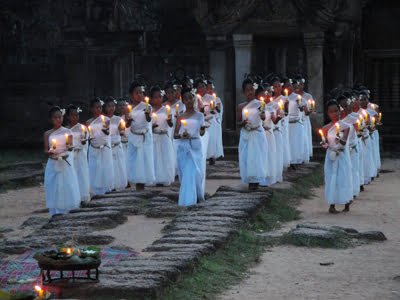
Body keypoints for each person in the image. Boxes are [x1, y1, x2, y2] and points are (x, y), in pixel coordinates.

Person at [44, 106, 80, 216]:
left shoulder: (68, 132)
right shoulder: (47, 134)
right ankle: (55, 210)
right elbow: (46, 149)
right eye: (55, 118)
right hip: (53, 162)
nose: (58, 120)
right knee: (53, 186)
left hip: (64, 161)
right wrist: (50, 152)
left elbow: (70, 146)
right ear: (50, 119)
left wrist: (69, 148)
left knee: (66, 185)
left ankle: (66, 209)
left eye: (60, 117)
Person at [174, 87, 206, 206]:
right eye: (186, 98)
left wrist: (202, 129)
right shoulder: (180, 116)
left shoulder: (200, 115)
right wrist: (182, 135)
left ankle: (198, 195)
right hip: (184, 147)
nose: (189, 100)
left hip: (195, 145)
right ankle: (187, 199)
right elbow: (175, 135)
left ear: (194, 98)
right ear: (183, 101)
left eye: (191, 97)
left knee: (197, 172)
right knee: (188, 172)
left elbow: (202, 133)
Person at [321, 100, 353, 213]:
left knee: (343, 178)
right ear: (328, 113)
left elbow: (344, 142)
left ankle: (346, 202)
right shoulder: (325, 128)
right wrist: (325, 144)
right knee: (331, 178)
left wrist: (340, 141)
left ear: (340, 111)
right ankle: (332, 204)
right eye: (331, 112)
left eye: (336, 111)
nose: (334, 114)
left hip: (342, 156)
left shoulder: (346, 126)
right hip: (331, 156)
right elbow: (325, 142)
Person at [237, 78, 269, 190]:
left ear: (255, 90)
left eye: (251, 89)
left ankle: (257, 180)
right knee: (247, 157)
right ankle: (250, 179)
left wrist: (262, 114)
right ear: (243, 92)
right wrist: (243, 123)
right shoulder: (241, 106)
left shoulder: (260, 104)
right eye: (247, 90)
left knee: (257, 157)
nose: (250, 92)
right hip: (246, 133)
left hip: (257, 133)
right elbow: (238, 123)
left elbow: (264, 117)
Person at [126, 81, 156, 190]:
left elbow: (149, 120)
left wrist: (147, 114)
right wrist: (128, 120)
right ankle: (135, 180)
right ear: (131, 95)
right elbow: (127, 124)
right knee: (134, 159)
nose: (139, 95)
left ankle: (142, 182)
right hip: (134, 136)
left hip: (144, 136)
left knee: (144, 159)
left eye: (141, 93)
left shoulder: (147, 107)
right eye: (136, 93)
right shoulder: (128, 108)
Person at [87, 98, 114, 196]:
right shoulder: (88, 122)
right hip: (94, 148)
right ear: (91, 109)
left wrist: (105, 130)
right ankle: (96, 190)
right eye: (96, 107)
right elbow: (88, 136)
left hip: (105, 147)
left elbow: (107, 132)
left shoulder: (106, 119)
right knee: (95, 168)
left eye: (100, 107)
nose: (98, 109)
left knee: (105, 167)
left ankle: (107, 187)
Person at [150, 86, 175, 186]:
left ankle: (164, 177)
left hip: (164, 136)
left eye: (159, 97)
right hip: (154, 136)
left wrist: (169, 121)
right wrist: (151, 127)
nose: (157, 99)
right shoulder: (149, 111)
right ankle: (154, 178)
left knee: (165, 157)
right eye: (155, 97)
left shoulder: (166, 110)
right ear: (151, 99)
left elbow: (171, 124)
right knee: (155, 157)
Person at [65, 105, 90, 203]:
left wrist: (84, 142)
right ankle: (72, 197)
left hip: (80, 155)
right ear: (68, 116)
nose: (75, 117)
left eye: (77, 115)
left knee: (82, 175)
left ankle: (83, 197)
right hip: (70, 155)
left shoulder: (82, 128)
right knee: (71, 175)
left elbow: (86, 143)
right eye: (72, 115)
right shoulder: (65, 130)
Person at [103, 97, 128, 191]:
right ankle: (109, 184)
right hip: (107, 145)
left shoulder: (118, 119)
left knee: (118, 165)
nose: (111, 108)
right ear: (105, 107)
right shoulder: (103, 119)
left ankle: (118, 183)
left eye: (113, 106)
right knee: (109, 165)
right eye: (109, 106)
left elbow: (122, 131)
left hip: (117, 144)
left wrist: (121, 130)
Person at [339, 95, 360, 198]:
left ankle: (353, 191)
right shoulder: (338, 120)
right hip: (341, 148)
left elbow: (357, 131)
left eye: (346, 105)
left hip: (352, 146)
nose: (344, 108)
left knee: (353, 169)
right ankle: (344, 192)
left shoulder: (354, 118)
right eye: (341, 106)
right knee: (344, 171)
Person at [285, 79, 307, 166]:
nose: (288, 88)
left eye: (289, 85)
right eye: (286, 86)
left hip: (296, 122)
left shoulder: (297, 97)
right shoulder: (283, 98)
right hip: (287, 123)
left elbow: (304, 109)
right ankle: (288, 160)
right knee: (288, 143)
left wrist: (300, 106)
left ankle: (296, 160)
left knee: (296, 143)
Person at [293, 76, 313, 161]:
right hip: (296, 119)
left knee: (305, 136)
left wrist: (310, 109)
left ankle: (305, 154)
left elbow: (308, 109)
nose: (299, 86)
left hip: (304, 118)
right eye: (298, 84)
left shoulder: (307, 96)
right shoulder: (293, 97)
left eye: (301, 84)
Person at [204, 80, 224, 164]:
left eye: (211, 89)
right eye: (207, 89)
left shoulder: (217, 99)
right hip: (205, 120)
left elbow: (219, 111)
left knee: (213, 139)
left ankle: (213, 156)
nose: (209, 91)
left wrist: (216, 110)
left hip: (214, 120)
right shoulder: (202, 98)